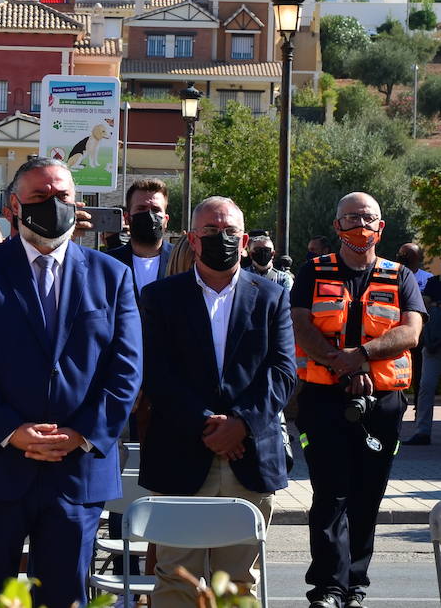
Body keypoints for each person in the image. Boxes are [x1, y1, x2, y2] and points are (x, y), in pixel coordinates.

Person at [0, 158, 142, 608]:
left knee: (65, 598)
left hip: (76, 474)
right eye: (38, 198)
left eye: (62, 196)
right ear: (13, 206)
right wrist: (12, 431)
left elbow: (126, 369)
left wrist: (81, 434)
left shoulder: (112, 275)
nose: (53, 206)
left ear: (77, 202)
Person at [138, 197, 296, 606]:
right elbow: (155, 373)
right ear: (192, 238)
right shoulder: (159, 297)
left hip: (250, 460)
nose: (220, 239)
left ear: (244, 241)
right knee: (176, 580)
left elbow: (282, 373)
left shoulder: (271, 297)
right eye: (210, 231)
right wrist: (208, 425)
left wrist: (240, 424)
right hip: (181, 456)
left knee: (240, 584)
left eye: (229, 232)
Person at [290, 192, 424, 608]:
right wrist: (340, 363)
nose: (359, 227)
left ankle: (355, 587)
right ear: (337, 227)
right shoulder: (313, 272)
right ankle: (328, 588)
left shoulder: (399, 276)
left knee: (368, 495)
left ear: (381, 228)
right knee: (329, 494)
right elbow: (299, 325)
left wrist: (362, 357)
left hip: (382, 404)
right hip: (323, 399)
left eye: (367, 219)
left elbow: (411, 331)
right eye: (350, 219)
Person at [108, 179, 175, 296]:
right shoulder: (109, 262)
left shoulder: (181, 260)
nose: (149, 215)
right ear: (127, 218)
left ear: (166, 220)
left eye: (155, 210)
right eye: (141, 208)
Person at [407, 277, 441, 445]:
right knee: (426, 387)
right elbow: (423, 305)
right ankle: (422, 432)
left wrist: (436, 304)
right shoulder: (434, 282)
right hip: (433, 343)